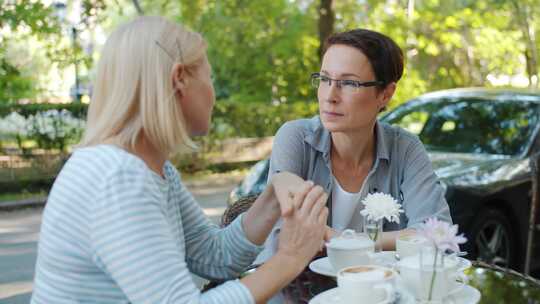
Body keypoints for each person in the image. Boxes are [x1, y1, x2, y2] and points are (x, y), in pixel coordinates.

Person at [31, 16, 330, 304]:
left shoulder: (152, 170)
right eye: (209, 77)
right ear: (180, 79)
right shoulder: (119, 178)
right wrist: (290, 258)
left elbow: (216, 256)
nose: (213, 93)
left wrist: (273, 196)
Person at [257, 29, 452, 268]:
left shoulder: (405, 148)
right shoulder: (296, 138)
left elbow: (437, 233)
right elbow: (285, 235)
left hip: (379, 289)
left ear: (385, 94)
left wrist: (340, 238)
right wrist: (395, 240)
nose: (330, 95)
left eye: (349, 83)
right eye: (325, 79)